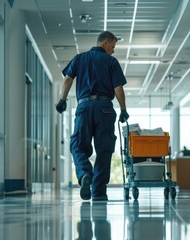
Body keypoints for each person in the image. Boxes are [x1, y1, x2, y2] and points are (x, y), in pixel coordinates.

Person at [56, 31, 129, 201]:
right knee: (104, 150)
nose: (113, 50)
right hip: (104, 108)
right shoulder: (111, 62)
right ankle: (99, 192)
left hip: (84, 107)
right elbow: (118, 88)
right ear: (105, 43)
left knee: (78, 145)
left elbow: (67, 80)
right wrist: (124, 109)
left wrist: (62, 100)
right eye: (112, 46)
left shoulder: (79, 58)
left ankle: (84, 174)